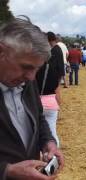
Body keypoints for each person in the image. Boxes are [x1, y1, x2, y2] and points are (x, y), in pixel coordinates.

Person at [0, 17, 64, 179]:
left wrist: (48, 143)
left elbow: (39, 118)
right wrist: (7, 171)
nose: (31, 76)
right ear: (2, 52)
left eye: (37, 69)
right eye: (26, 67)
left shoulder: (27, 81)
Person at [36, 31, 65, 148]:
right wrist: (59, 105)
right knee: (52, 132)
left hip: (38, 102)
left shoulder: (34, 74)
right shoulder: (54, 74)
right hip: (52, 104)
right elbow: (57, 89)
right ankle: (54, 153)